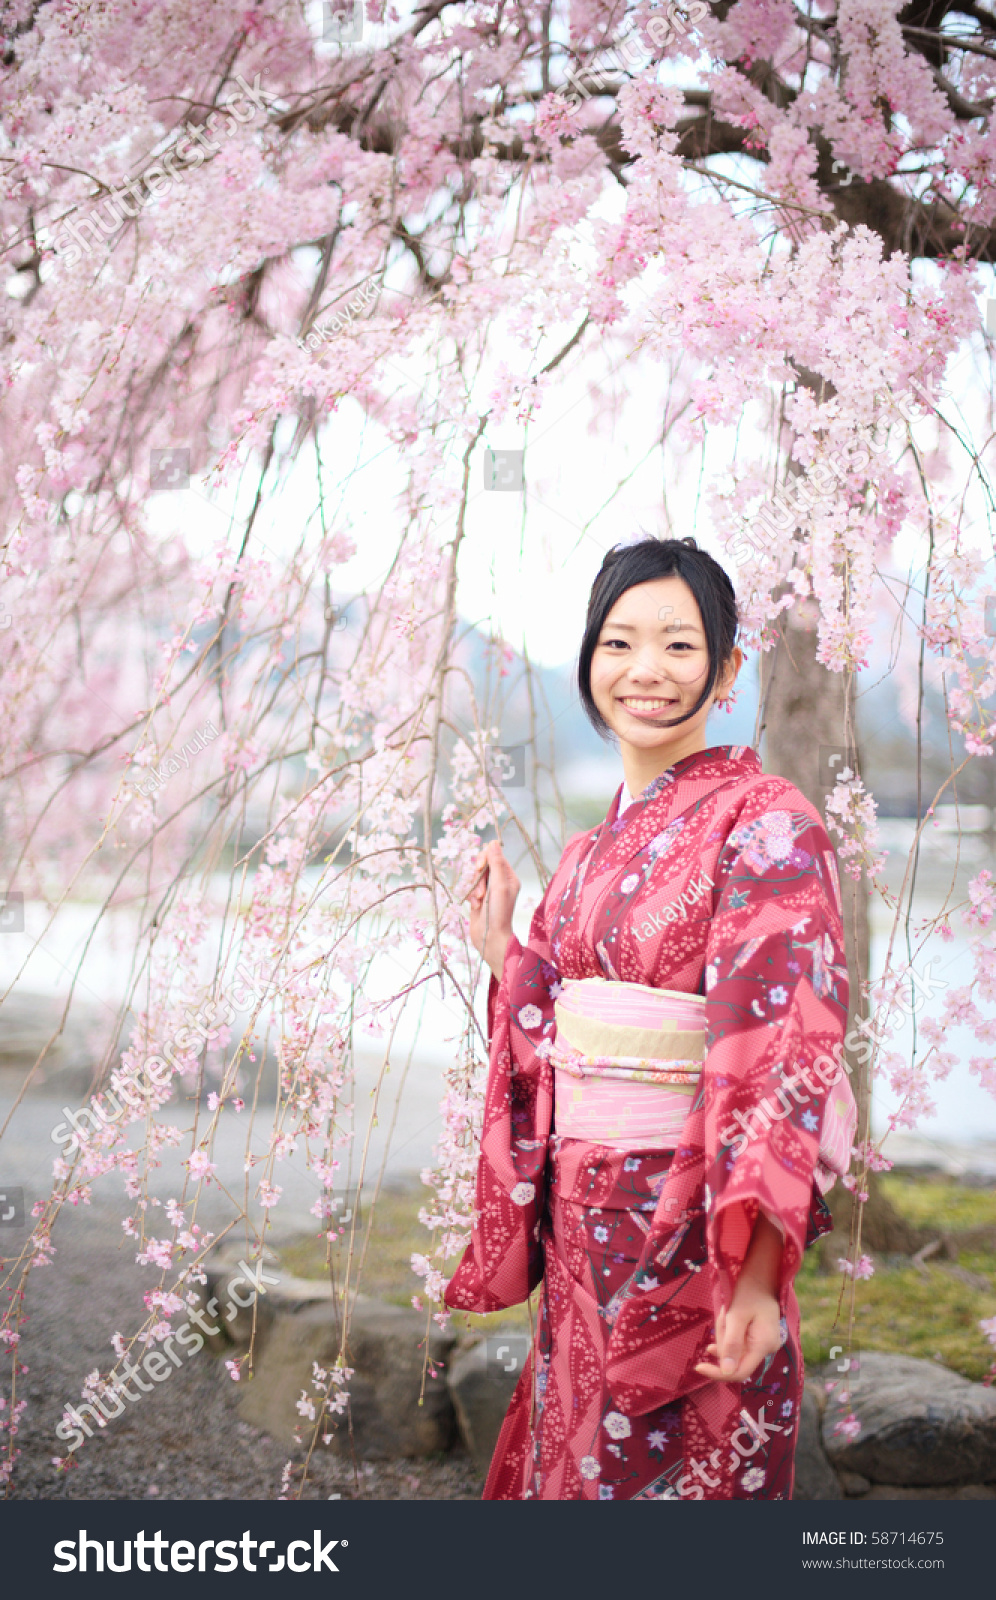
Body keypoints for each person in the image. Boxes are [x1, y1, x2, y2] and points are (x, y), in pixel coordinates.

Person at [444, 536, 855, 1501]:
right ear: (589, 659)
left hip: (695, 1229)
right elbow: (557, 1040)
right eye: (620, 643)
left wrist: (754, 1273)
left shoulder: (768, 820)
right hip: (582, 1233)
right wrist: (508, 954)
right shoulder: (587, 853)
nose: (646, 672)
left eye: (679, 646)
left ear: (727, 669)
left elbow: (779, 1048)